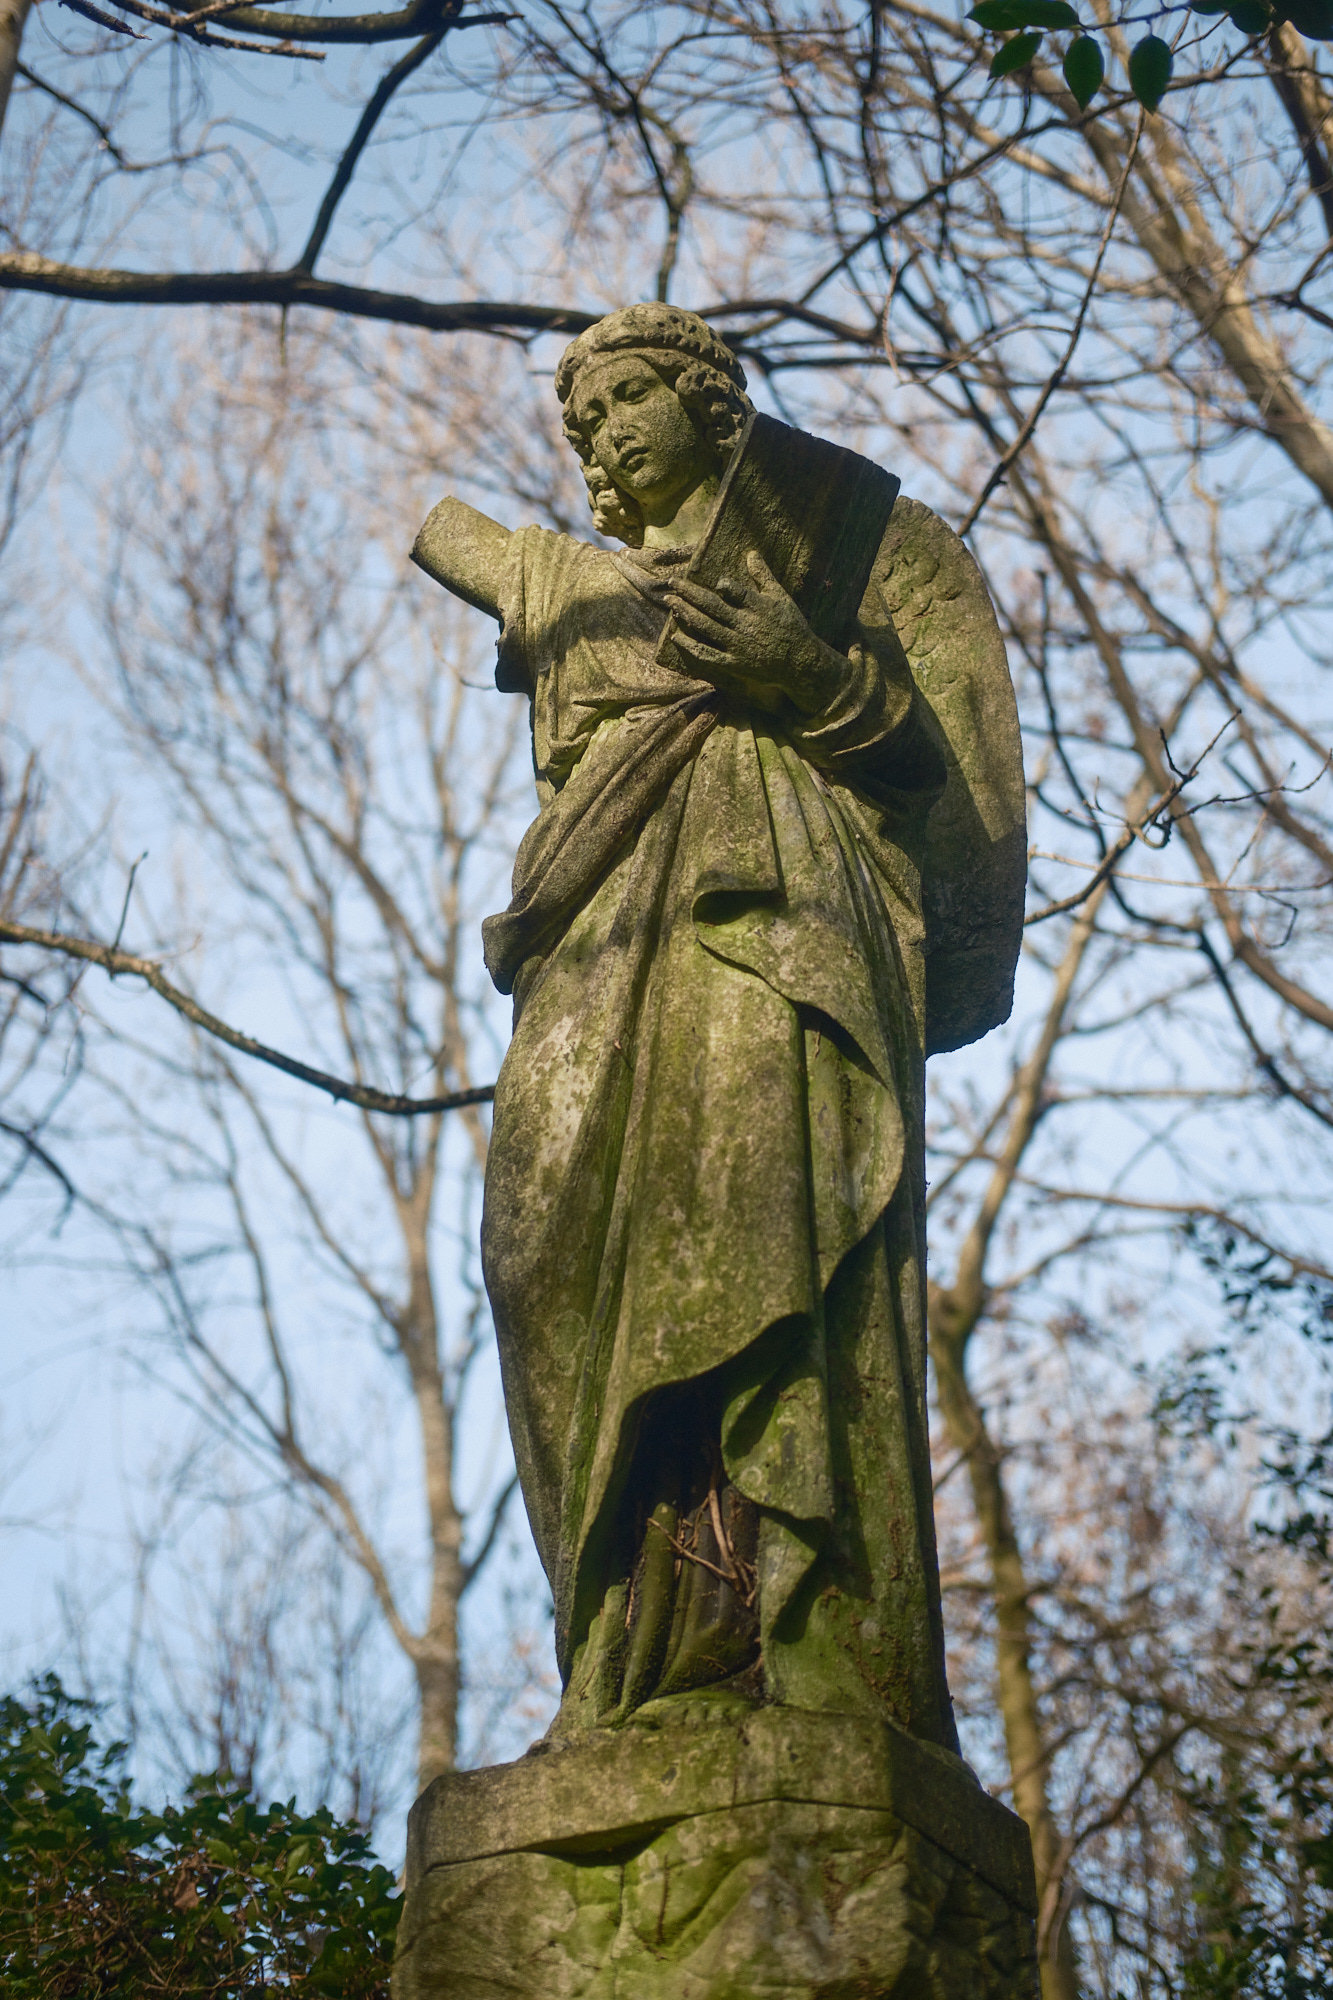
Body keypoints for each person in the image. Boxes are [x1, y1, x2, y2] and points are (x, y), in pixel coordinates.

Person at [413, 303, 966, 1749]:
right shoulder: (574, 587)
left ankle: (784, 1622)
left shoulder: (823, 556)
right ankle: (624, 1639)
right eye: (581, 421)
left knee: (752, 1221)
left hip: (767, 918)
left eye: (626, 401)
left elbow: (926, 770)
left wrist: (806, 670)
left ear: (710, 404)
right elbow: (449, 537)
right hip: (596, 941)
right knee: (538, 1252)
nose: (601, 435)